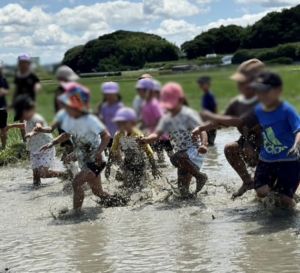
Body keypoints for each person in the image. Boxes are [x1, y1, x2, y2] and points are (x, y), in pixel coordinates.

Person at [193, 71, 300, 208]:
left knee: (285, 200)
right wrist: (202, 128)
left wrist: (297, 145)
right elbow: (232, 121)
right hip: (266, 156)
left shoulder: (286, 110)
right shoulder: (254, 108)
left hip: (288, 156)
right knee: (261, 191)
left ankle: (290, 213)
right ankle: (250, 183)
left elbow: (298, 130)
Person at [40, 82, 110, 212]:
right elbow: (67, 135)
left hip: (96, 160)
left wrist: (99, 152)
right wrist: (52, 143)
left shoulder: (91, 120)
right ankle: (118, 201)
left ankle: (76, 213)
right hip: (86, 160)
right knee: (98, 192)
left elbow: (106, 135)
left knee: (76, 182)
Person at [201, 59, 265, 199]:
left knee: (270, 194)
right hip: (250, 143)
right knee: (230, 148)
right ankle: (247, 182)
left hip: (271, 147)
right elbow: (222, 121)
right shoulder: (239, 102)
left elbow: (269, 125)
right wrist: (201, 127)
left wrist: (252, 135)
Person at [137, 83, 208, 199]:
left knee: (174, 157)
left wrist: (204, 145)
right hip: (183, 159)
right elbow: (156, 135)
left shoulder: (188, 114)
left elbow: (202, 129)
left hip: (194, 152)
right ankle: (192, 199)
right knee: (183, 192)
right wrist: (145, 139)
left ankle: (200, 176)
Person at [5, 95, 68, 187]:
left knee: (44, 174)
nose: (21, 117)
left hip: (45, 147)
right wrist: (12, 126)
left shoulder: (37, 118)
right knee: (36, 175)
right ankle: (35, 190)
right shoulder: (28, 118)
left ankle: (66, 175)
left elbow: (38, 126)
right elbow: (25, 125)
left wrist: (33, 132)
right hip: (34, 149)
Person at [105, 107, 161, 188]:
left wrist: (154, 167)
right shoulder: (118, 135)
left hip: (140, 163)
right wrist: (108, 166)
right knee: (120, 176)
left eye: (124, 123)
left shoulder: (138, 135)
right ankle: (127, 184)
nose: (121, 125)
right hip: (127, 161)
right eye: (119, 123)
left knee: (139, 184)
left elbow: (149, 151)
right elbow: (113, 151)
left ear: (133, 124)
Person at [138, 78, 173, 163]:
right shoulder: (145, 105)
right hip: (152, 134)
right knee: (159, 153)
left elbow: (160, 119)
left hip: (162, 134)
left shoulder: (155, 104)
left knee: (170, 153)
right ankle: (167, 166)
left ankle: (175, 165)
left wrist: (147, 125)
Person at [12, 54, 41, 139]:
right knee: (22, 120)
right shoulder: (18, 75)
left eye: (25, 62)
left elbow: (37, 85)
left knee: (31, 119)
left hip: (30, 101)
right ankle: (25, 139)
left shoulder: (32, 75)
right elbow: (17, 89)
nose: (23, 64)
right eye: (21, 62)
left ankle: (33, 136)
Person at [98, 82, 124, 148]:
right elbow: (102, 121)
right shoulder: (104, 107)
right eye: (107, 94)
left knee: (117, 154)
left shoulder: (119, 106)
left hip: (118, 136)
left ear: (116, 94)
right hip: (107, 136)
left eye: (111, 94)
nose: (109, 96)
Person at [198, 76, 218, 146]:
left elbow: (215, 107)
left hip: (211, 120)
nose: (201, 86)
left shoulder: (210, 95)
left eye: (202, 84)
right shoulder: (205, 95)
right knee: (207, 140)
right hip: (206, 121)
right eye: (200, 84)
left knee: (210, 143)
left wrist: (215, 120)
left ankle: (211, 155)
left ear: (208, 85)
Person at [0, 60, 9, 149]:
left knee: (3, 128)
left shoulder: (4, 80)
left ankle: (4, 147)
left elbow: (7, 91)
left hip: (2, 108)